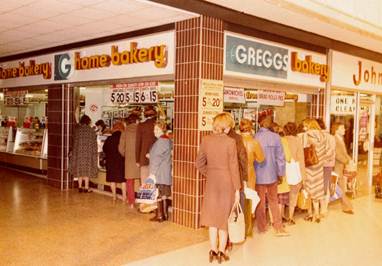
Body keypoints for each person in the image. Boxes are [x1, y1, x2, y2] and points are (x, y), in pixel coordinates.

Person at [195, 112, 241, 263]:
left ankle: (212, 250)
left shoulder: (206, 140)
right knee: (223, 218)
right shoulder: (230, 142)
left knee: (212, 218)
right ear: (226, 128)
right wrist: (237, 189)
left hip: (212, 183)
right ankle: (222, 251)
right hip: (227, 182)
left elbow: (199, 163)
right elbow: (234, 167)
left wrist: (210, 173)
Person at [254, 114, 288, 236]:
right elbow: (280, 158)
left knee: (260, 202)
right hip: (273, 174)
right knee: (274, 201)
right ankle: (278, 227)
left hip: (258, 175)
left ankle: (262, 227)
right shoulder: (276, 137)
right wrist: (280, 173)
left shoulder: (255, 137)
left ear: (260, 124)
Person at [239, 119, 264, 237]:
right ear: (251, 129)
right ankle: (247, 229)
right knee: (249, 200)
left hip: (237, 173)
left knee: (238, 199)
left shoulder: (235, 141)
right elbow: (261, 159)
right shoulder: (254, 142)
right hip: (249, 173)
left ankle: (237, 227)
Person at [302, 118, 328, 223]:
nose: (304, 127)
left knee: (309, 189)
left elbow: (304, 149)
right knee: (317, 189)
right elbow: (326, 150)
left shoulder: (307, 134)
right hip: (319, 165)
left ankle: (310, 214)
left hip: (309, 165)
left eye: (305, 125)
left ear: (308, 125)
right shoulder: (323, 135)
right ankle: (316, 214)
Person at [148, 120, 172, 222]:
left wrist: (152, 173)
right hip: (165, 171)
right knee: (164, 194)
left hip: (159, 172)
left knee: (158, 193)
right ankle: (164, 215)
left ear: (162, 129)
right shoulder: (167, 140)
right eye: (154, 129)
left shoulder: (161, 141)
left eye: (157, 129)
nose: (154, 131)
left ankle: (160, 215)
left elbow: (157, 158)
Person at [284, 122, 306, 225]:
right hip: (295, 170)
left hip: (284, 170)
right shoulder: (298, 141)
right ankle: (291, 217)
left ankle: (281, 216)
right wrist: (304, 176)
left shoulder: (282, 140)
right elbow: (301, 159)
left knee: (283, 194)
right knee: (294, 194)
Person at [118, 113, 141, 208]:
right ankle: (143, 201)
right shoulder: (141, 130)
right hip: (140, 159)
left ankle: (131, 202)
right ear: (136, 121)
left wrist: (126, 155)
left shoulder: (125, 131)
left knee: (129, 182)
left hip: (129, 160)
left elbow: (120, 148)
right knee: (142, 180)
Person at [71, 115, 98, 193]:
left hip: (79, 153)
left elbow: (74, 143)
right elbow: (94, 144)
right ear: (88, 122)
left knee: (79, 171)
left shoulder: (77, 131)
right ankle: (86, 188)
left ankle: (80, 187)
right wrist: (94, 154)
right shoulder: (91, 131)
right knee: (87, 171)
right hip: (88, 154)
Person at [331, 122, 354, 214]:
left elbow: (344, 153)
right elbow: (337, 155)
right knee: (339, 188)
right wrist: (347, 161)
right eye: (342, 128)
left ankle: (346, 206)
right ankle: (347, 206)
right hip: (336, 167)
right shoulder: (334, 139)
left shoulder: (340, 139)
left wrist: (349, 159)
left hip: (340, 167)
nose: (344, 130)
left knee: (339, 187)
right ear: (336, 130)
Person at [270, 123, 291, 223]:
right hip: (280, 172)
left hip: (268, 172)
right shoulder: (283, 141)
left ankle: (272, 219)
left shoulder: (263, 140)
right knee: (280, 197)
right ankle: (278, 220)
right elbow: (288, 157)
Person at [317, 118, 336, 216]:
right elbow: (332, 151)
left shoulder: (318, 137)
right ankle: (324, 208)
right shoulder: (331, 137)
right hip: (329, 164)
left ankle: (322, 208)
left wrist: (320, 158)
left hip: (319, 164)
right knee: (326, 185)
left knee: (320, 186)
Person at [103, 122, 125, 201]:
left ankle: (114, 196)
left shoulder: (109, 138)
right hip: (121, 162)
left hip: (111, 161)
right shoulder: (123, 138)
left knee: (112, 179)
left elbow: (104, 149)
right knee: (123, 180)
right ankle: (124, 197)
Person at [135, 105, 157, 183]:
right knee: (154, 182)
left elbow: (138, 143)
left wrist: (137, 160)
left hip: (143, 158)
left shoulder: (141, 126)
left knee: (144, 182)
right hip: (156, 159)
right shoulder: (158, 125)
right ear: (154, 115)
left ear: (144, 115)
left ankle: (146, 195)